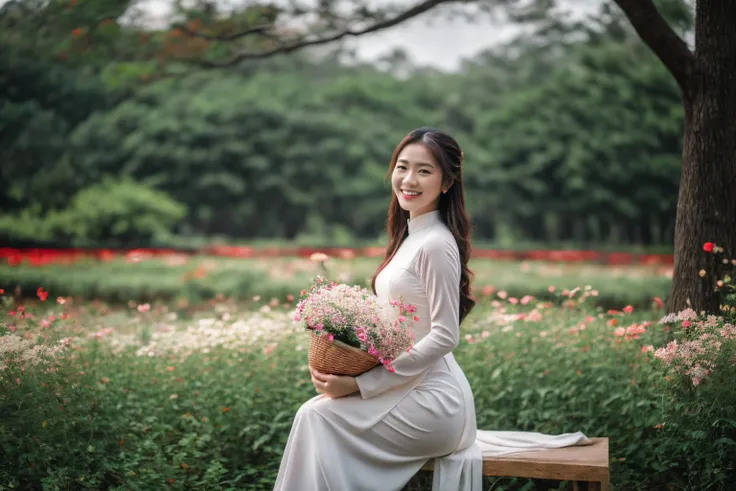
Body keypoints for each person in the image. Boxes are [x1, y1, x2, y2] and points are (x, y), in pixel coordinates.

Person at [273, 127, 590, 491]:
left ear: (446, 182)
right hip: (404, 390)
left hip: (434, 403)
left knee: (316, 417)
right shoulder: (411, 237)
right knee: (313, 414)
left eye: (424, 171)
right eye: (403, 167)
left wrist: (362, 384)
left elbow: (444, 334)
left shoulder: (437, 243)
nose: (409, 180)